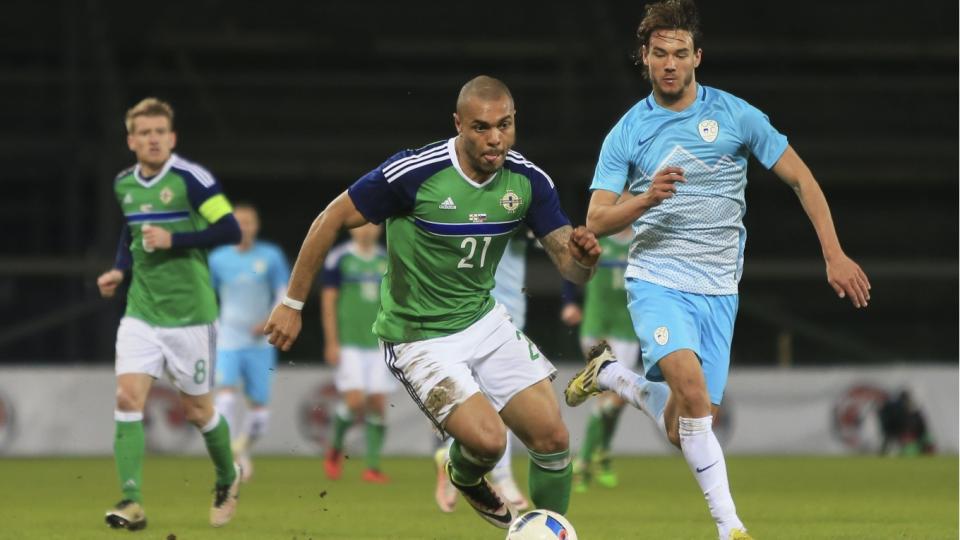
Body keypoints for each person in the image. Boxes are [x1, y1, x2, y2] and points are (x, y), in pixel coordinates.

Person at [564, 2, 871, 539]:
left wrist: (834, 253)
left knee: (684, 426)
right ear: (644, 57)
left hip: (719, 289)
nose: (670, 64)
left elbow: (801, 179)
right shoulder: (628, 132)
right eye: (660, 53)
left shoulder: (736, 116)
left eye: (680, 53)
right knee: (689, 389)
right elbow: (596, 219)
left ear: (697, 57)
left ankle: (612, 376)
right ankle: (731, 528)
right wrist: (646, 197)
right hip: (657, 280)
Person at [265, 75, 601, 530]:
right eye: (481, 127)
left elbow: (570, 267)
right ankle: (464, 474)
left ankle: (549, 532)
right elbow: (329, 219)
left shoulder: (528, 181)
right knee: (490, 442)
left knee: (553, 437)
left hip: (483, 320)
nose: (495, 138)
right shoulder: (414, 173)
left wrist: (584, 261)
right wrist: (292, 303)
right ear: (458, 124)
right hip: (418, 337)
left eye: (504, 125)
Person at [95, 97, 244, 530]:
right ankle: (132, 501)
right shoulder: (124, 183)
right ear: (131, 141)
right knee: (127, 398)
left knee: (198, 412)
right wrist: (120, 270)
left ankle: (227, 475)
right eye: (144, 133)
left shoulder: (191, 181)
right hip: (142, 312)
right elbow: (132, 232)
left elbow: (230, 229)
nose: (153, 139)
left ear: (172, 137)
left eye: (160, 132)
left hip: (191, 316)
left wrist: (174, 240)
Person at [433, 229, 533, 513]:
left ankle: (449, 459)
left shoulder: (520, 208)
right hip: (473, 313)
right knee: (481, 399)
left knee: (504, 398)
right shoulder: (476, 213)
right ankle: (499, 475)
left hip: (511, 312)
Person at [561, 225, 657, 493]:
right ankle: (584, 461)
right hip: (597, 326)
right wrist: (568, 302)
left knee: (618, 399)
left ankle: (601, 453)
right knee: (609, 396)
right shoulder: (598, 240)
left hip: (627, 329)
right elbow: (571, 267)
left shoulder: (641, 241)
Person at [209, 203, 290, 483]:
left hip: (260, 342)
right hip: (228, 339)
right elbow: (207, 294)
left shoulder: (271, 256)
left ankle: (240, 448)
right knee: (225, 396)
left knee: (260, 417)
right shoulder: (218, 258)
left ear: (257, 226)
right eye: (238, 222)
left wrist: (269, 319)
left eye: (249, 222)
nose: (243, 227)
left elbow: (283, 292)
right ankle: (228, 459)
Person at [320, 223, 395, 484]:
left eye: (371, 225)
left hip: (379, 342)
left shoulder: (386, 259)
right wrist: (332, 341)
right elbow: (328, 301)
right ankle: (335, 447)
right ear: (352, 230)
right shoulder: (339, 258)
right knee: (354, 401)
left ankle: (372, 466)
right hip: (349, 342)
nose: (365, 230)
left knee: (377, 402)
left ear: (379, 228)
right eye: (360, 226)